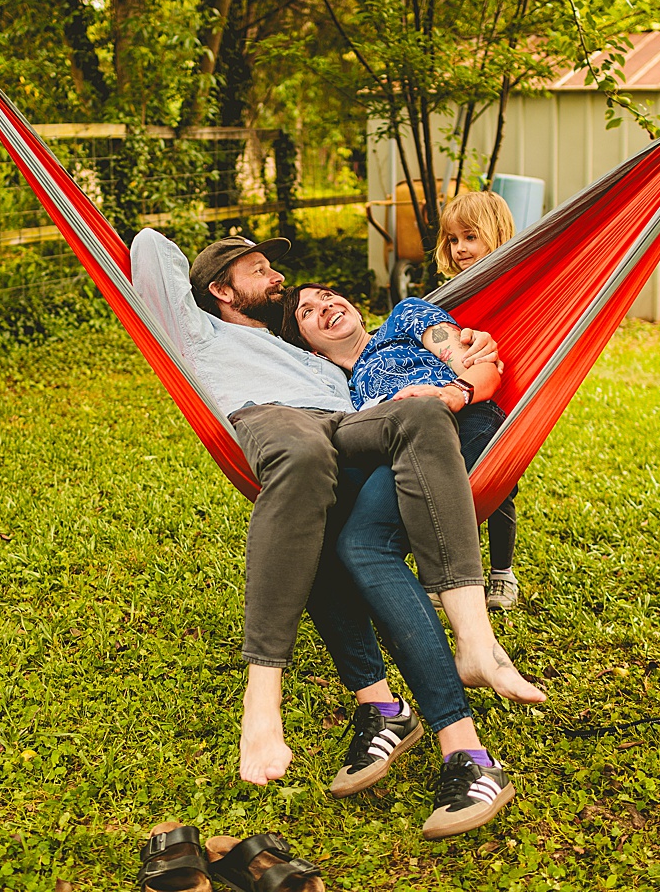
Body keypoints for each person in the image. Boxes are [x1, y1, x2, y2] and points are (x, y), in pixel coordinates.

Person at [131, 228, 535, 838]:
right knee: (305, 483)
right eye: (259, 270)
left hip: (349, 426)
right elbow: (149, 252)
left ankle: (463, 654)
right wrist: (229, 246)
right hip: (277, 421)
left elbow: (421, 367)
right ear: (220, 290)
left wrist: (459, 368)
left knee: (418, 419)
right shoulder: (201, 331)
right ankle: (266, 697)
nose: (278, 279)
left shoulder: (315, 359)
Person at [279, 281, 548, 837]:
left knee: (363, 546)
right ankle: (385, 712)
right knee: (323, 540)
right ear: (304, 341)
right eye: (307, 310)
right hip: (395, 455)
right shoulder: (334, 386)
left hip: (457, 430)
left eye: (328, 295)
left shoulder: (403, 321)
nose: (325, 305)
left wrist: (453, 393)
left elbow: (476, 363)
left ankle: (469, 755)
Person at [436, 191, 521, 610]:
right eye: (453, 240)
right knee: (448, 479)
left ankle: (503, 573)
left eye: (470, 237)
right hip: (456, 398)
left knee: (500, 487)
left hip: (508, 401)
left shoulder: (515, 283)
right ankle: (447, 573)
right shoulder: (453, 294)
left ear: (496, 234)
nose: (460, 248)